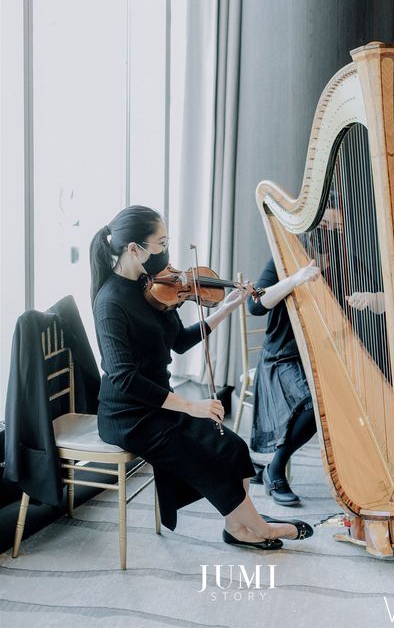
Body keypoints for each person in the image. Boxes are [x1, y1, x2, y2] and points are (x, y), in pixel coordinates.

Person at [89, 204, 314, 550]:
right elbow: (124, 379)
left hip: (161, 401)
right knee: (202, 454)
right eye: (160, 244)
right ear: (134, 249)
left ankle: (238, 526)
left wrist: (226, 307)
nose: (165, 251)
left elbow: (179, 342)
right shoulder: (110, 303)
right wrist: (190, 407)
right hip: (128, 414)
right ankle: (260, 528)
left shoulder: (151, 287)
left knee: (232, 447)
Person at [247, 256, 320, 506]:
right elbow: (255, 305)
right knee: (316, 404)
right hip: (281, 356)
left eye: (338, 221)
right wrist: (295, 279)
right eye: (329, 220)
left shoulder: (344, 259)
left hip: (321, 357)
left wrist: (371, 299)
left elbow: (380, 297)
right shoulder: (281, 258)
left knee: (336, 401)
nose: (336, 224)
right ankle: (275, 470)